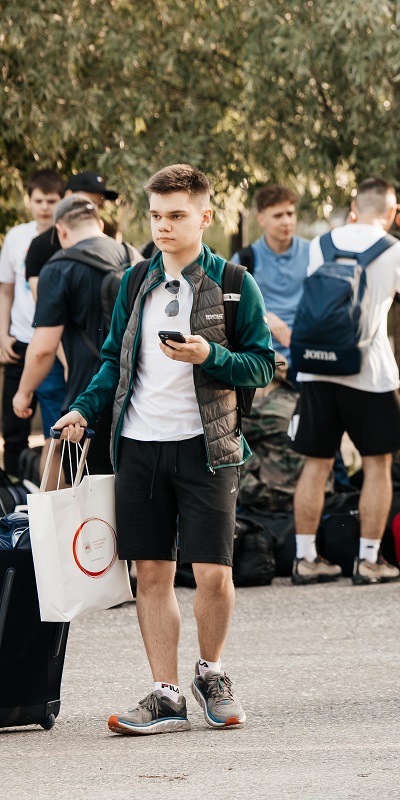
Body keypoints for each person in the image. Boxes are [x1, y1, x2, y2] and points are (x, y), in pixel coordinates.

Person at [54, 163, 275, 735]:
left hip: (209, 448)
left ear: (205, 217)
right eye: (155, 215)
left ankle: (212, 673)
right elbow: (112, 361)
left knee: (212, 574)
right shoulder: (133, 282)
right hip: (139, 446)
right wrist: (83, 408)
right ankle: (166, 692)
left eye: (176, 215)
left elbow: (262, 365)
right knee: (149, 573)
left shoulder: (233, 282)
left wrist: (211, 356)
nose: (163, 226)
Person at [290, 177, 400, 586]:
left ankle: (305, 558)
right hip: (368, 374)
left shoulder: (321, 244)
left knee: (315, 464)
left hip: (315, 368)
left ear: (355, 206)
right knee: (376, 465)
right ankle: (368, 560)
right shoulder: (397, 250)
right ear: (391, 213)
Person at [13, 196, 142, 475]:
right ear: (98, 223)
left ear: (60, 230)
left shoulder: (58, 268)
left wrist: (23, 393)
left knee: (87, 497)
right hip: (141, 397)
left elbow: (43, 348)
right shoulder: (136, 259)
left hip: (87, 403)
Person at [0, 169, 64, 473]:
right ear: (29, 201)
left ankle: (52, 495)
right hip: (20, 340)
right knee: (13, 427)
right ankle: (12, 488)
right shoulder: (16, 236)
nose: (44, 207)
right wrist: (3, 334)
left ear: (61, 200)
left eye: (51, 200)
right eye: (38, 200)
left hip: (53, 342)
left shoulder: (65, 236)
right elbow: (6, 290)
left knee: (56, 426)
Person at [231, 184, 309, 362]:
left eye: (290, 213)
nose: (286, 221)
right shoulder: (244, 260)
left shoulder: (313, 253)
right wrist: (264, 318)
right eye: (278, 215)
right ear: (261, 219)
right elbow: (231, 313)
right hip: (263, 358)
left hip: (308, 356)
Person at [239, 356, 303, 514]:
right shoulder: (298, 400)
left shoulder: (265, 409)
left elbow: (223, 428)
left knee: (227, 447)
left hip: (277, 496)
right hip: (308, 492)